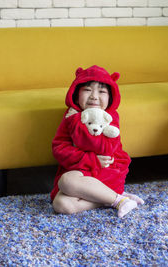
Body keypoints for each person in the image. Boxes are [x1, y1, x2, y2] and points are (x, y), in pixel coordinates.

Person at [50, 65, 144, 218]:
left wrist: (78, 124)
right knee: (60, 204)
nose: (94, 96)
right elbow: (59, 148)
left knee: (66, 181)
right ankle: (112, 197)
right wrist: (89, 159)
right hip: (81, 170)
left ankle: (118, 200)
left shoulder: (110, 116)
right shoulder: (71, 115)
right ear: (76, 93)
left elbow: (105, 149)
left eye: (101, 91)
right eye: (87, 90)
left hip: (107, 170)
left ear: (110, 97)